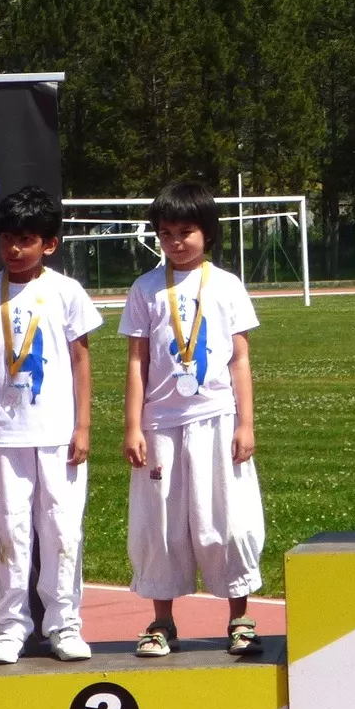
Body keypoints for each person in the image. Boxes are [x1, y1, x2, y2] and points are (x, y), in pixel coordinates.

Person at [120, 182, 265, 657]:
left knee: (227, 521)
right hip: (161, 424)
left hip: (216, 418)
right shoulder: (146, 288)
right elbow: (137, 360)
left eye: (186, 231)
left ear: (208, 232)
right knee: (160, 525)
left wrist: (246, 423)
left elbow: (240, 359)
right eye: (166, 233)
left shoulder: (227, 285)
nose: (176, 241)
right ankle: (162, 622)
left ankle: (240, 618)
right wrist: (133, 425)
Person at [0, 186, 101, 664]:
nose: (14, 249)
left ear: (49, 244)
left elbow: (81, 361)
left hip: (58, 434)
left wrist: (83, 427)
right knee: (10, 530)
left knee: (63, 530)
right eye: (7, 238)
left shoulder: (67, 291)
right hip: (6, 434)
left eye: (25, 240)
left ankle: (64, 624)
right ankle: (10, 627)